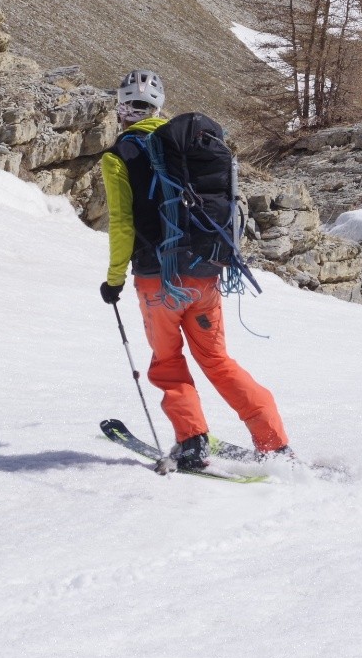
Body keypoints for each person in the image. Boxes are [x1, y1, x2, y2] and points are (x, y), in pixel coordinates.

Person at [98, 69, 291, 470]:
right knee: (218, 360)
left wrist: (114, 279)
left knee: (168, 363)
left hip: (157, 281)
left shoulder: (119, 155)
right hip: (205, 275)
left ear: (122, 108)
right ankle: (273, 442)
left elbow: (121, 223)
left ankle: (192, 442)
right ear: (158, 107)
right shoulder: (184, 149)